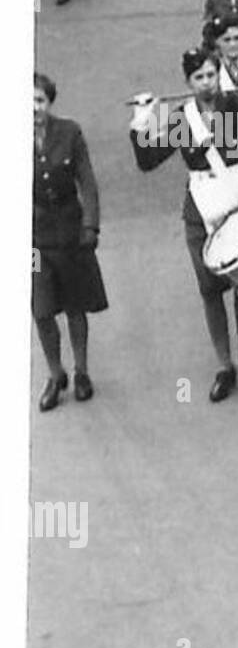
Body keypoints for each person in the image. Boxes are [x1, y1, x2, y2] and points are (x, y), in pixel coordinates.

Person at [129, 49, 238, 403]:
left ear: (219, 75)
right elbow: (148, 160)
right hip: (200, 208)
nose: (206, 83)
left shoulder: (235, 106)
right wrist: (141, 123)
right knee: (209, 288)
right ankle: (224, 365)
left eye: (211, 75)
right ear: (188, 82)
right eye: (198, 77)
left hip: (237, 199)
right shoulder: (181, 118)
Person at [32, 73, 108, 411]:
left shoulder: (69, 132)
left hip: (70, 232)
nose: (33, 108)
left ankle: (81, 372)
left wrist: (90, 226)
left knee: (76, 304)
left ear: (49, 104)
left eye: (39, 101)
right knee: (42, 309)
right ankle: (54, 373)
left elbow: (87, 182)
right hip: (32, 241)